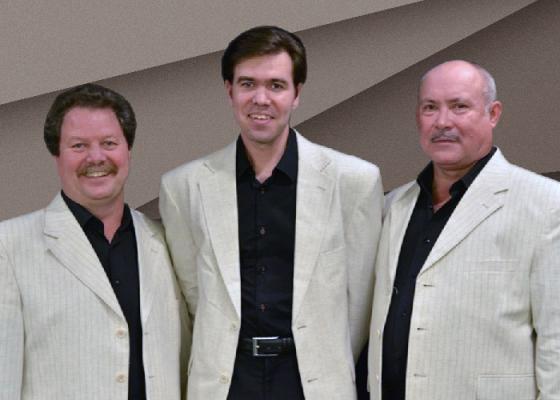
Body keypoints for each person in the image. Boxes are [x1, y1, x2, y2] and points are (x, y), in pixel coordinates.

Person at [160, 25, 383, 400]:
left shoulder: (354, 181)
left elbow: (359, 302)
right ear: (229, 90)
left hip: (315, 383)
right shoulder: (183, 187)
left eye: (276, 85)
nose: (260, 99)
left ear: (297, 94)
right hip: (224, 382)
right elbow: (194, 299)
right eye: (247, 84)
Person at [368, 60, 560, 400]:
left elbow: (556, 339)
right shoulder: (392, 206)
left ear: (493, 114)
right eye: (430, 107)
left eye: (459, 106)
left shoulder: (546, 204)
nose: (443, 122)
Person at [0, 83, 189, 400]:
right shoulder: (8, 245)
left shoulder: (165, 240)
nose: (96, 157)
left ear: (128, 150)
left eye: (109, 143)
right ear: (57, 155)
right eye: (79, 146)